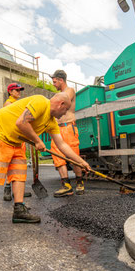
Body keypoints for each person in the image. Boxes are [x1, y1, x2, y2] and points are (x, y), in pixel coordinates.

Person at [0, 93, 91, 232]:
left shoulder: (51, 122)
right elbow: (21, 122)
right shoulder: (41, 102)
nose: (64, 114)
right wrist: (38, 141)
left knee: (19, 174)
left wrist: (81, 162)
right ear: (61, 104)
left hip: (16, 141)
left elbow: (62, 145)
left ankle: (19, 210)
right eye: (65, 110)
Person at [49, 69, 85, 197]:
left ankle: (80, 182)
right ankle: (66, 185)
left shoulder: (69, 91)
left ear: (61, 80)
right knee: (58, 157)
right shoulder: (57, 95)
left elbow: (61, 101)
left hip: (68, 128)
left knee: (73, 156)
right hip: (57, 129)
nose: (53, 84)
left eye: (54, 81)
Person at [3, 82, 31, 201]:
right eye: (16, 90)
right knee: (11, 164)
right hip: (12, 138)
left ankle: (18, 191)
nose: (19, 92)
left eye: (20, 90)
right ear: (10, 92)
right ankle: (8, 188)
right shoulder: (8, 104)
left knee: (19, 165)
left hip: (20, 138)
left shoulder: (18, 104)